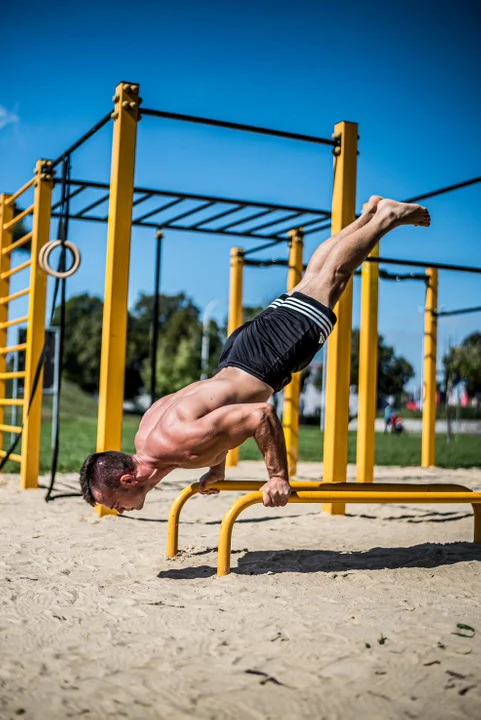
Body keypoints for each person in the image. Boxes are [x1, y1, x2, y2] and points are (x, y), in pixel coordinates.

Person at [79, 197, 430, 511]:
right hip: (240, 354)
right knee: (316, 280)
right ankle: (368, 214)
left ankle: (386, 218)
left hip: (265, 361)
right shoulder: (149, 438)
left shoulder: (177, 445)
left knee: (333, 278)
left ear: (128, 481)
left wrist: (277, 476)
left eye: (113, 505)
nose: (116, 511)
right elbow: (214, 418)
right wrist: (216, 468)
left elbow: (260, 416)